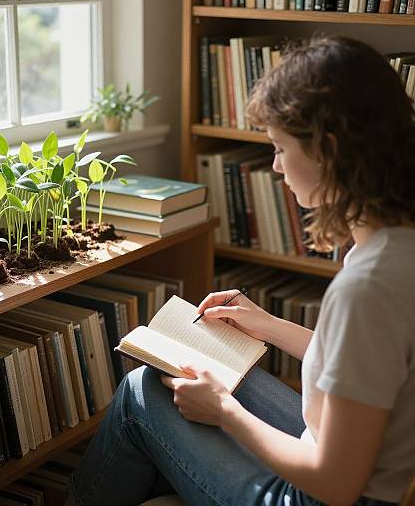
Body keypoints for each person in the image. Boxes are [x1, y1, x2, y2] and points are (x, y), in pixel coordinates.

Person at [68, 36, 415, 506]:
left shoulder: (368, 285)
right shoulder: (394, 240)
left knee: (139, 392)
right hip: (352, 452)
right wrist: (267, 325)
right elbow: (364, 368)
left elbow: (336, 484)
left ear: (327, 150)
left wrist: (225, 411)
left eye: (278, 147)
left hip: (323, 495)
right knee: (204, 374)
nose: (274, 166)